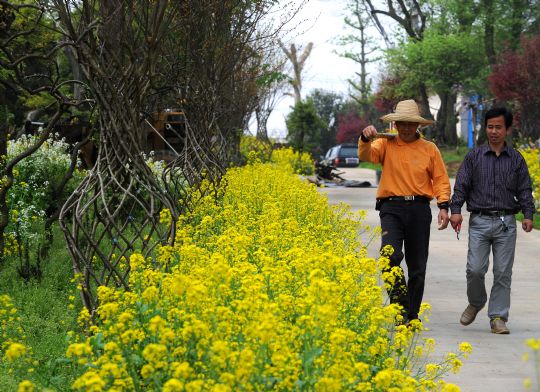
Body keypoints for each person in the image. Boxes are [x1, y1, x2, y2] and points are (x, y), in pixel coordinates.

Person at [359, 99, 451, 324]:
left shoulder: (429, 149)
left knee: (417, 265)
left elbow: (440, 179)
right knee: (389, 256)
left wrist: (443, 205)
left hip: (419, 208)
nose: (406, 128)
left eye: (411, 123)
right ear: (396, 124)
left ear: (418, 125)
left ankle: (412, 315)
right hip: (391, 207)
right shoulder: (385, 144)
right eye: (402, 123)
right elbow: (366, 155)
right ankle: (400, 307)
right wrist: (365, 137)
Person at [450, 106, 535, 334]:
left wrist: (528, 215)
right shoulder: (474, 157)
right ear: (484, 128)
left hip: (506, 223)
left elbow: (525, 189)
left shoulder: (516, 159)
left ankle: (498, 317)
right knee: (475, 269)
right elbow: (461, 186)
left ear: (507, 129)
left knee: (503, 272)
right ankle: (476, 301)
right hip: (479, 221)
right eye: (490, 127)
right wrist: (455, 210)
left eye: (498, 127)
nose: (494, 131)